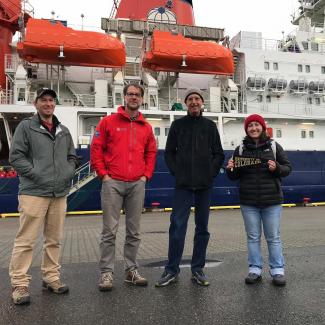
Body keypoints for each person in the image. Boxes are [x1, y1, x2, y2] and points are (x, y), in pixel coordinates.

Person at [8, 88, 77, 305]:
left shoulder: (64, 131)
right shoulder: (26, 127)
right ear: (35, 104)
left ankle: (51, 277)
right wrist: (37, 174)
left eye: (51, 100)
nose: (48, 104)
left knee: (54, 239)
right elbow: (16, 157)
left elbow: (72, 157)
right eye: (43, 100)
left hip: (59, 193)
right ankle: (19, 283)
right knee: (26, 240)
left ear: (54, 104)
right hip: (33, 192)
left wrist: (67, 173)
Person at [155, 88, 225, 287]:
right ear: (186, 103)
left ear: (202, 103)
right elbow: (169, 153)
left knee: (202, 228)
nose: (194, 102)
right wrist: (178, 173)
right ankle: (171, 270)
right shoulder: (177, 126)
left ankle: (198, 269)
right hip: (183, 185)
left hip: (205, 185)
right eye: (190, 99)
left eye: (197, 99)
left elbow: (219, 154)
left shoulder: (210, 126)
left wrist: (209, 173)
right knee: (177, 227)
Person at [91, 83, 157, 291]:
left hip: (137, 182)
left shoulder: (146, 127)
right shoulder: (108, 122)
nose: (134, 97)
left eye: (137, 95)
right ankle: (106, 273)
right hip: (113, 182)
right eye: (130, 94)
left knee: (134, 231)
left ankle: (131, 270)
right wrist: (104, 175)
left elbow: (151, 152)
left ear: (142, 98)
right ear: (124, 97)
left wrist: (146, 175)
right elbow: (96, 148)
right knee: (109, 231)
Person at [226, 114, 291, 286]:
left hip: (272, 201)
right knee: (253, 237)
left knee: (273, 237)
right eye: (250, 126)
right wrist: (230, 169)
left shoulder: (274, 146)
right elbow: (234, 177)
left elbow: (287, 168)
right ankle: (255, 269)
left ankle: (277, 271)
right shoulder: (241, 149)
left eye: (256, 125)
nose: (253, 128)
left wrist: (276, 168)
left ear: (262, 127)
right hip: (249, 201)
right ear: (246, 129)